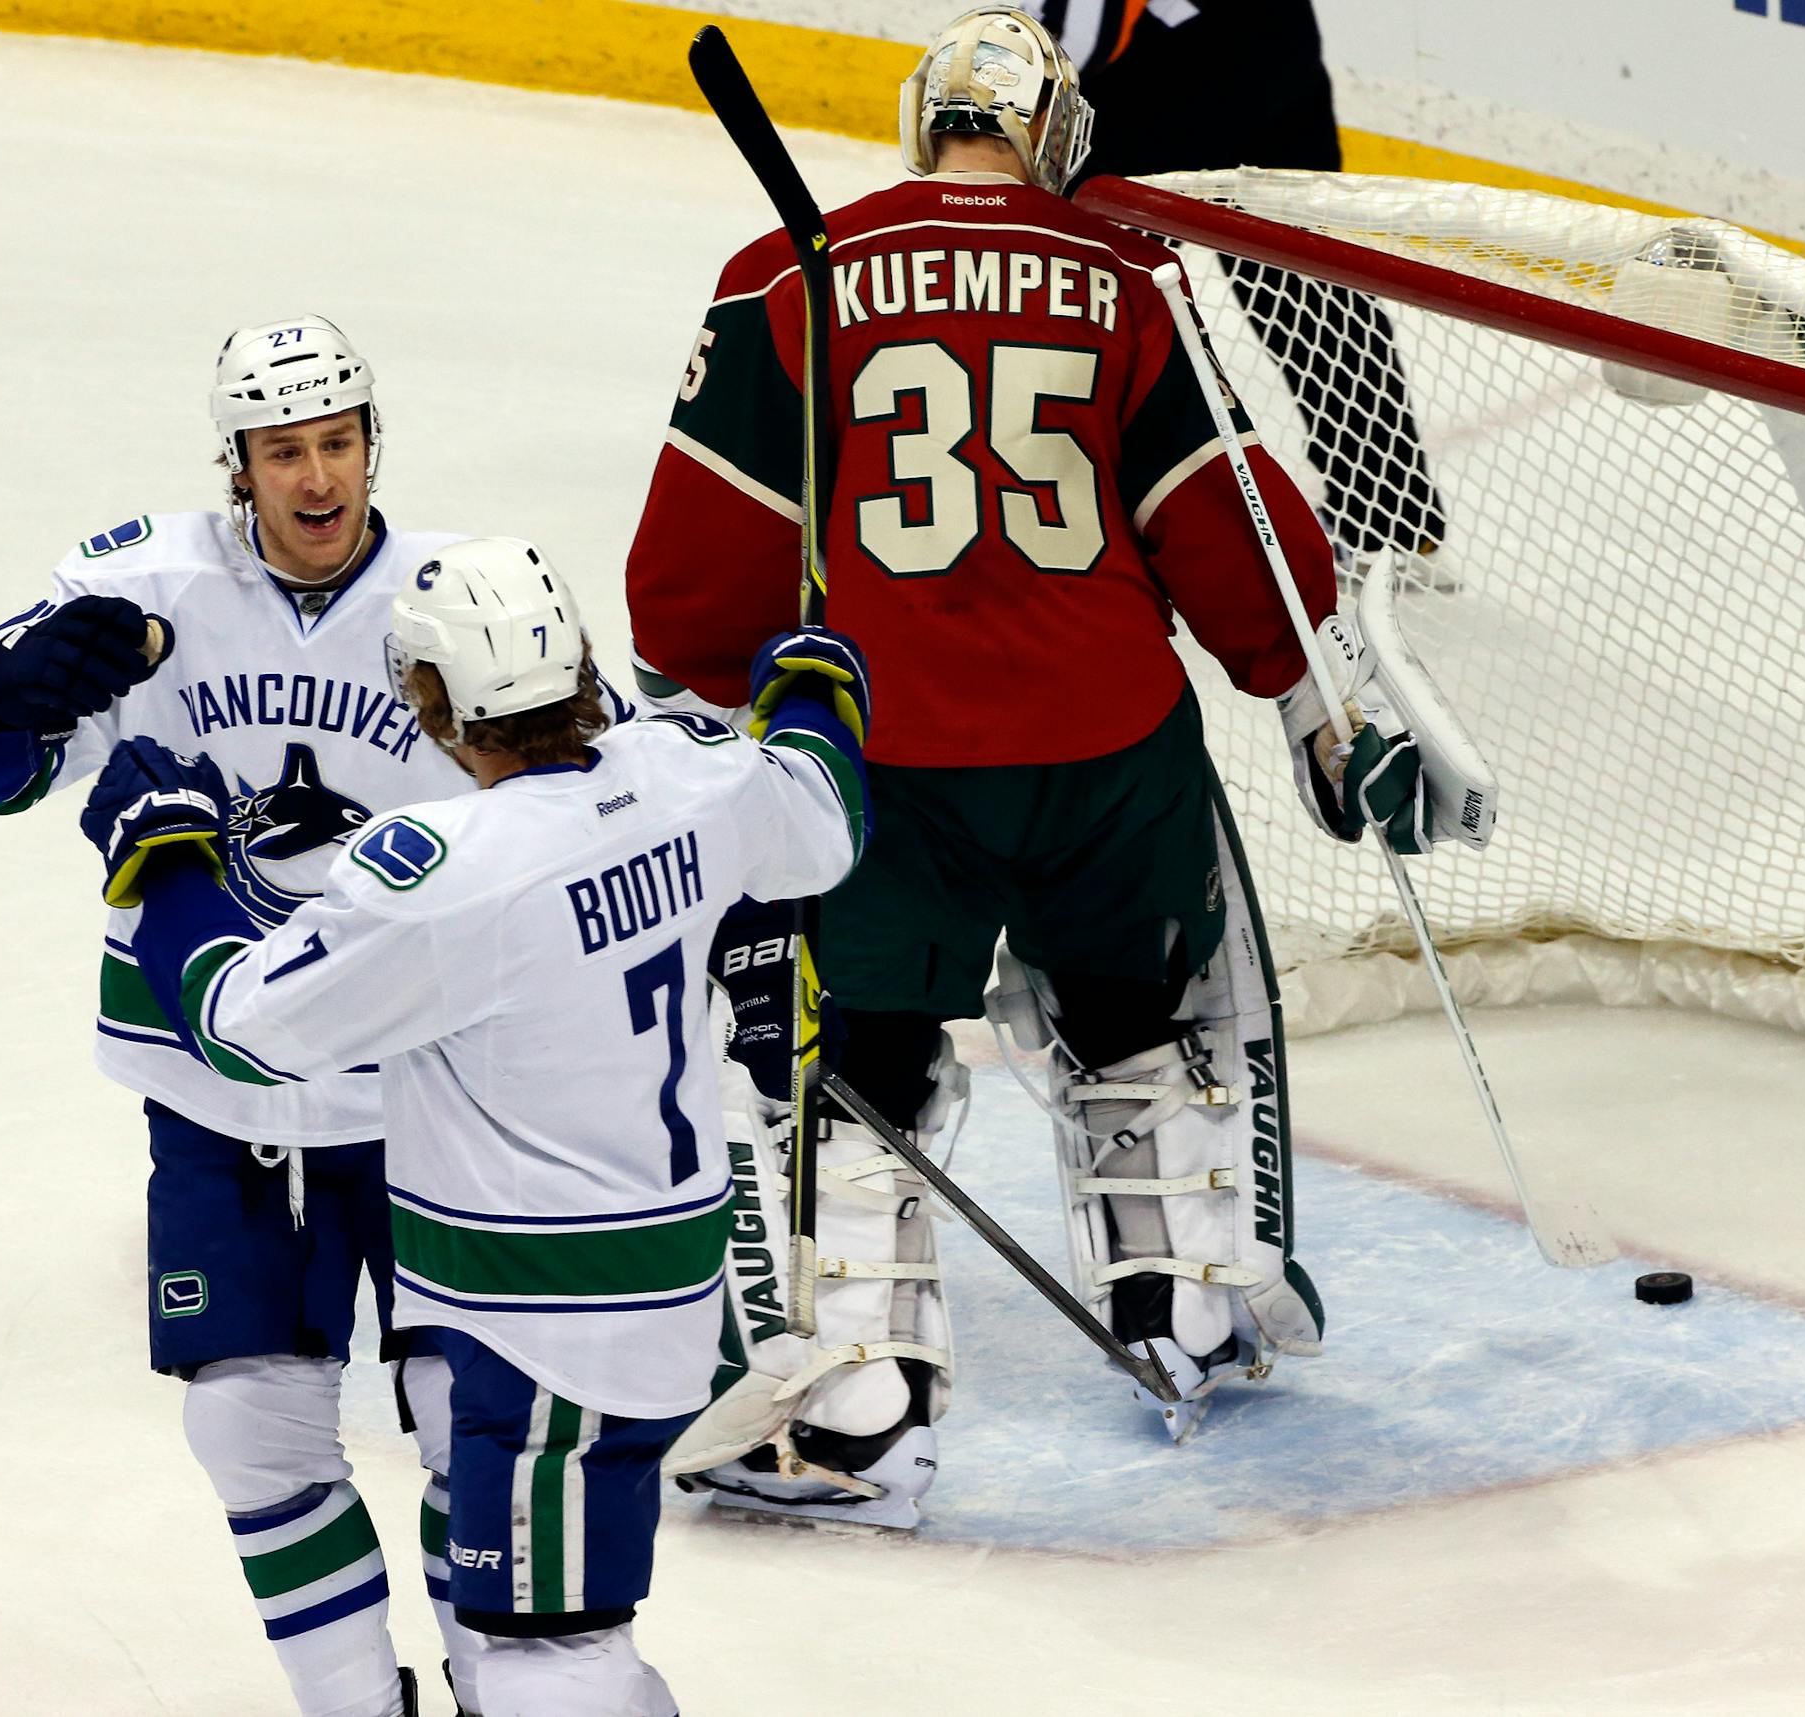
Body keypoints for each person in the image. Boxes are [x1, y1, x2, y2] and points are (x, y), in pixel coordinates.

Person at [626, 7, 1490, 1528]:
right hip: (1111, 751)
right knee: (1139, 1017)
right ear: (1059, 139)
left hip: (882, 761)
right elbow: (1231, 533)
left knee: (865, 1067)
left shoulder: (786, 278)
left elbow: (688, 596)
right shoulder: (1125, 277)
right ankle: (1192, 1308)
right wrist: (1312, 704)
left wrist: (748, 716)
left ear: (920, 126)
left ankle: (858, 1411)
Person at [0, 320, 631, 1715]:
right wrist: (9, 695)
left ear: (374, 442)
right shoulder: (136, 583)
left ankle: (502, 1688)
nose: (318, 480)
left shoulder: (462, 595)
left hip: (427, 1094)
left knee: (461, 1423)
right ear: (237, 464)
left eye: (340, 443)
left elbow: (590, 793)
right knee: (247, 1425)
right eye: (284, 451)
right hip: (210, 1085)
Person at [77, 537, 871, 1716]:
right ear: (582, 667)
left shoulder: (448, 873)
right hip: (668, 1282)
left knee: (545, 1656)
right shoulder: (687, 771)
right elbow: (824, 812)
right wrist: (815, 688)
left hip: (553, 1320)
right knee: (553, 1637)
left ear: (436, 702)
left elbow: (242, 1024)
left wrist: (174, 860)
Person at [1027, 0, 1448, 567]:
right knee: (1304, 290)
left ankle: (1032, 495)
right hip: (1277, 46)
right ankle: (1391, 520)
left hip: (1185, 71)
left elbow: (1072, 37)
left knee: (1072, 269)